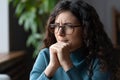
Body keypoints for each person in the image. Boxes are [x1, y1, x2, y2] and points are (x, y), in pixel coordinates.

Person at [30, 0, 116, 80]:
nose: (60, 33)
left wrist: (67, 64)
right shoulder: (45, 55)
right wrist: (51, 67)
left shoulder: (99, 61)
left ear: (86, 30)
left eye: (68, 26)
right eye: (56, 26)